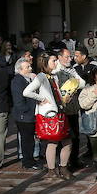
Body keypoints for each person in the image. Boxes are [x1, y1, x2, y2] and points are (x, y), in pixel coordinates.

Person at [23, 53, 74, 181]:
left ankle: (61, 168)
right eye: (53, 60)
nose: (56, 62)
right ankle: (54, 169)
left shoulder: (54, 76)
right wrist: (41, 99)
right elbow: (26, 92)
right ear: (45, 62)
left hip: (59, 112)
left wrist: (64, 99)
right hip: (50, 115)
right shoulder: (41, 77)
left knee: (65, 141)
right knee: (54, 142)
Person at [11, 58, 41, 170]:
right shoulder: (17, 81)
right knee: (26, 139)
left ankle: (30, 159)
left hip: (30, 114)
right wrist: (28, 110)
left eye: (29, 66)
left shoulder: (28, 79)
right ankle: (27, 161)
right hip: (24, 116)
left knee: (30, 139)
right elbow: (19, 101)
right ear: (20, 69)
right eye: (27, 67)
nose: (30, 68)